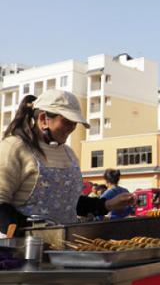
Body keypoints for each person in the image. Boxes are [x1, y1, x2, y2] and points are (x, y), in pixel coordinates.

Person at [0, 91, 134, 236]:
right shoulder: (14, 147)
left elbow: (68, 202)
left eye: (74, 123)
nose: (71, 127)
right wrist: (33, 232)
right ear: (44, 119)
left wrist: (108, 204)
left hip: (64, 247)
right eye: (67, 121)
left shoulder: (69, 153)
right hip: (23, 251)